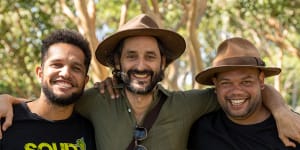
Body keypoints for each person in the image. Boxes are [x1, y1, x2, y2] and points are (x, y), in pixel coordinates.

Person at [1, 14, 300, 150]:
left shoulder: (189, 104)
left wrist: (282, 112)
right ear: (118, 63)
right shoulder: (93, 100)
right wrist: (7, 99)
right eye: (131, 56)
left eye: (150, 56)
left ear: (163, 63)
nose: (141, 66)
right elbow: (52, 98)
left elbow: (239, 89)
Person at [188, 37, 300, 149]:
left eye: (246, 82)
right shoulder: (202, 131)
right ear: (215, 84)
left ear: (261, 81)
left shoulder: (293, 130)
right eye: (226, 83)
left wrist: (281, 110)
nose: (236, 91)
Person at [0, 29, 96, 150]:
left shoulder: (90, 131)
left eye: (76, 68)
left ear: (85, 81)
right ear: (40, 73)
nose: (65, 73)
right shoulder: (6, 120)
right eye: (57, 64)